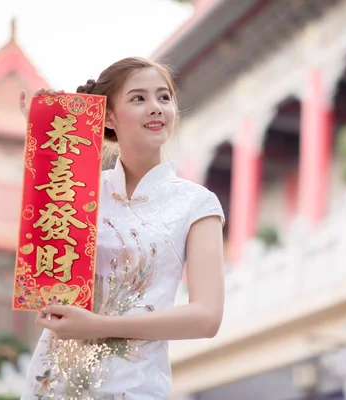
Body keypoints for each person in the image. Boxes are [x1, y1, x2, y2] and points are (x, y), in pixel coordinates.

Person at [18, 57, 225, 400]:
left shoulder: (197, 204)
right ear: (109, 116)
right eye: (138, 98)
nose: (156, 108)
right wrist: (50, 149)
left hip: (134, 385)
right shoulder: (75, 191)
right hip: (54, 381)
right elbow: (47, 277)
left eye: (164, 97)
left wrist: (100, 326)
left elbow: (207, 317)